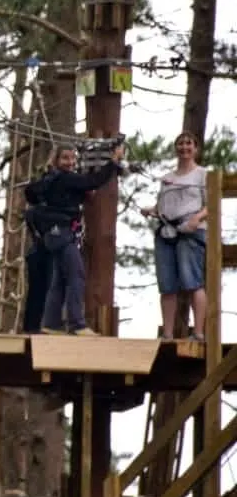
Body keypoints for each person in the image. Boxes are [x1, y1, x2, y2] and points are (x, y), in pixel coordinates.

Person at [25, 141, 126, 335]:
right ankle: (77, 323)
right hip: (61, 233)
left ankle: (51, 323)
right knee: (76, 275)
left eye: (73, 158)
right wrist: (113, 162)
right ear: (55, 161)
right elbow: (93, 181)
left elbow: (82, 187)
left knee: (60, 279)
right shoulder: (64, 179)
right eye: (65, 158)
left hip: (54, 234)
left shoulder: (50, 180)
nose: (70, 162)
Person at [139, 131, 207, 342]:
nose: (184, 147)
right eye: (180, 143)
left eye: (189, 143)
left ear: (195, 149)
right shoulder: (167, 178)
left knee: (192, 281)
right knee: (167, 285)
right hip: (166, 231)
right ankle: (167, 334)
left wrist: (196, 220)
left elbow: (211, 203)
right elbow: (163, 205)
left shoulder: (202, 175)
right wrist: (151, 210)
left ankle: (198, 332)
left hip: (190, 231)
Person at [21, 167, 55, 333]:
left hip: (37, 253)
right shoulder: (42, 211)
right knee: (46, 292)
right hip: (45, 253)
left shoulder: (32, 212)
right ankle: (41, 327)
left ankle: (32, 327)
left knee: (36, 294)